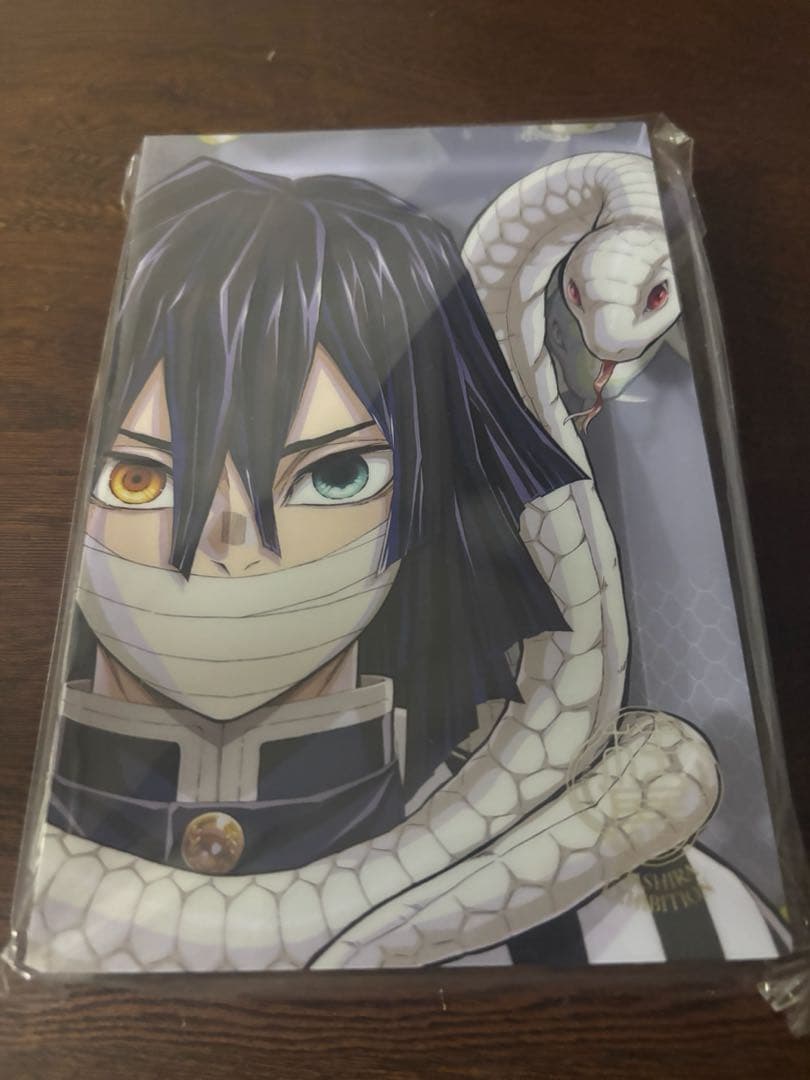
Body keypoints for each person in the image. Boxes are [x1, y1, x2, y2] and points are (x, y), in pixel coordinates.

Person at [24, 159, 787, 973]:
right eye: (139, 480)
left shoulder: (662, 916)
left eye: (335, 475)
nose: (233, 544)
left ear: (428, 490)